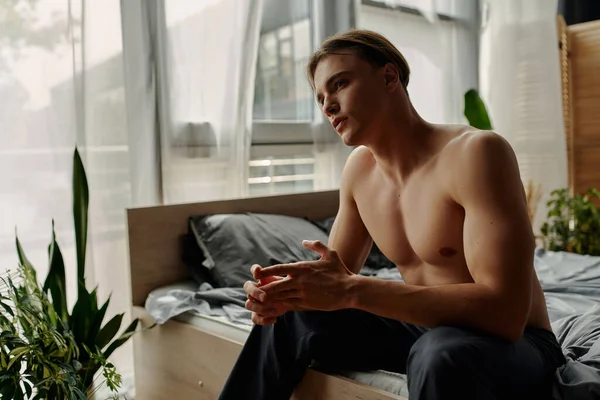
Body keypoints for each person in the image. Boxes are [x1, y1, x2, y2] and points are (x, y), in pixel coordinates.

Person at [218, 29, 565, 400]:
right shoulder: (359, 172)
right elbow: (333, 279)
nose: (328, 105)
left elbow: (506, 314)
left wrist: (354, 290)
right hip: (425, 329)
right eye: (321, 98)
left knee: (440, 354)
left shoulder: (476, 153)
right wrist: (283, 296)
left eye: (340, 85)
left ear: (388, 77)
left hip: (515, 344)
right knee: (291, 317)